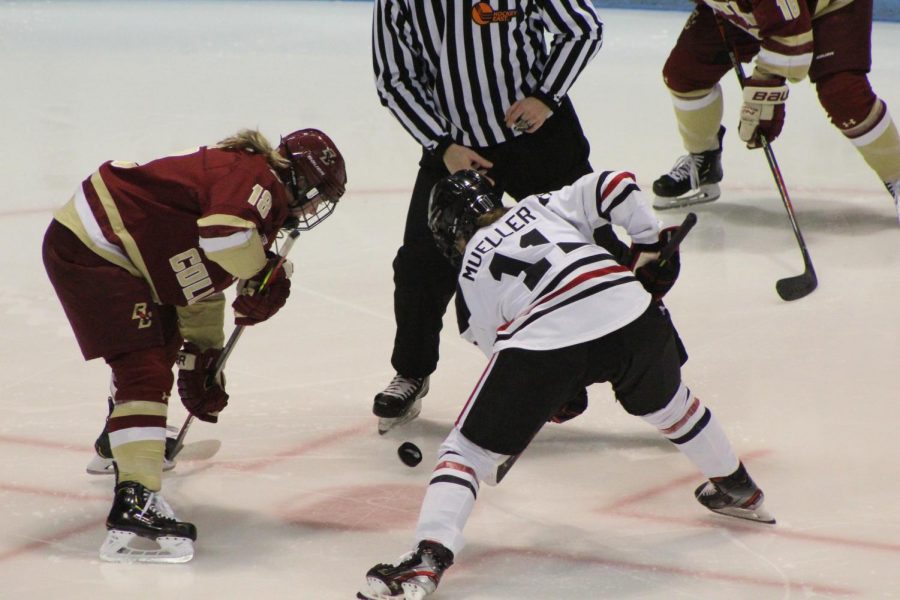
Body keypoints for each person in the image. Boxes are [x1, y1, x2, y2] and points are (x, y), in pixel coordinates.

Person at [356, 170, 773, 599]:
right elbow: (615, 185)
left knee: (467, 452)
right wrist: (648, 243)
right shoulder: (540, 205)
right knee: (673, 407)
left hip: (547, 341)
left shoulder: (467, 281)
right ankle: (738, 487)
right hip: (630, 309)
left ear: (450, 231)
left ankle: (426, 561)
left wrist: (559, 399)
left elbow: (506, 356)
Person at [42, 128, 346, 563]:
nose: (315, 208)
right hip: (99, 249)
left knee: (160, 347)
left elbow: (196, 282)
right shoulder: (258, 180)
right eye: (319, 196)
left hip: (114, 248)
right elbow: (222, 236)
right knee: (143, 368)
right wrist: (261, 273)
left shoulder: (251, 185)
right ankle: (135, 503)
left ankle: (123, 442)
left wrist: (200, 359)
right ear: (303, 180)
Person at [370, 0, 622, 434]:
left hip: (539, 138)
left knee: (595, 246)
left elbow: (582, 28)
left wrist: (545, 97)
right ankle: (411, 370)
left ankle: (650, 353)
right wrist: (441, 145)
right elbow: (394, 80)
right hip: (455, 151)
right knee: (420, 264)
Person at [651, 0, 900, 224]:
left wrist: (764, 98)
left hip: (829, 6)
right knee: (684, 73)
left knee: (844, 96)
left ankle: (897, 174)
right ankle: (703, 162)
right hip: (764, 11)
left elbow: (792, 38)